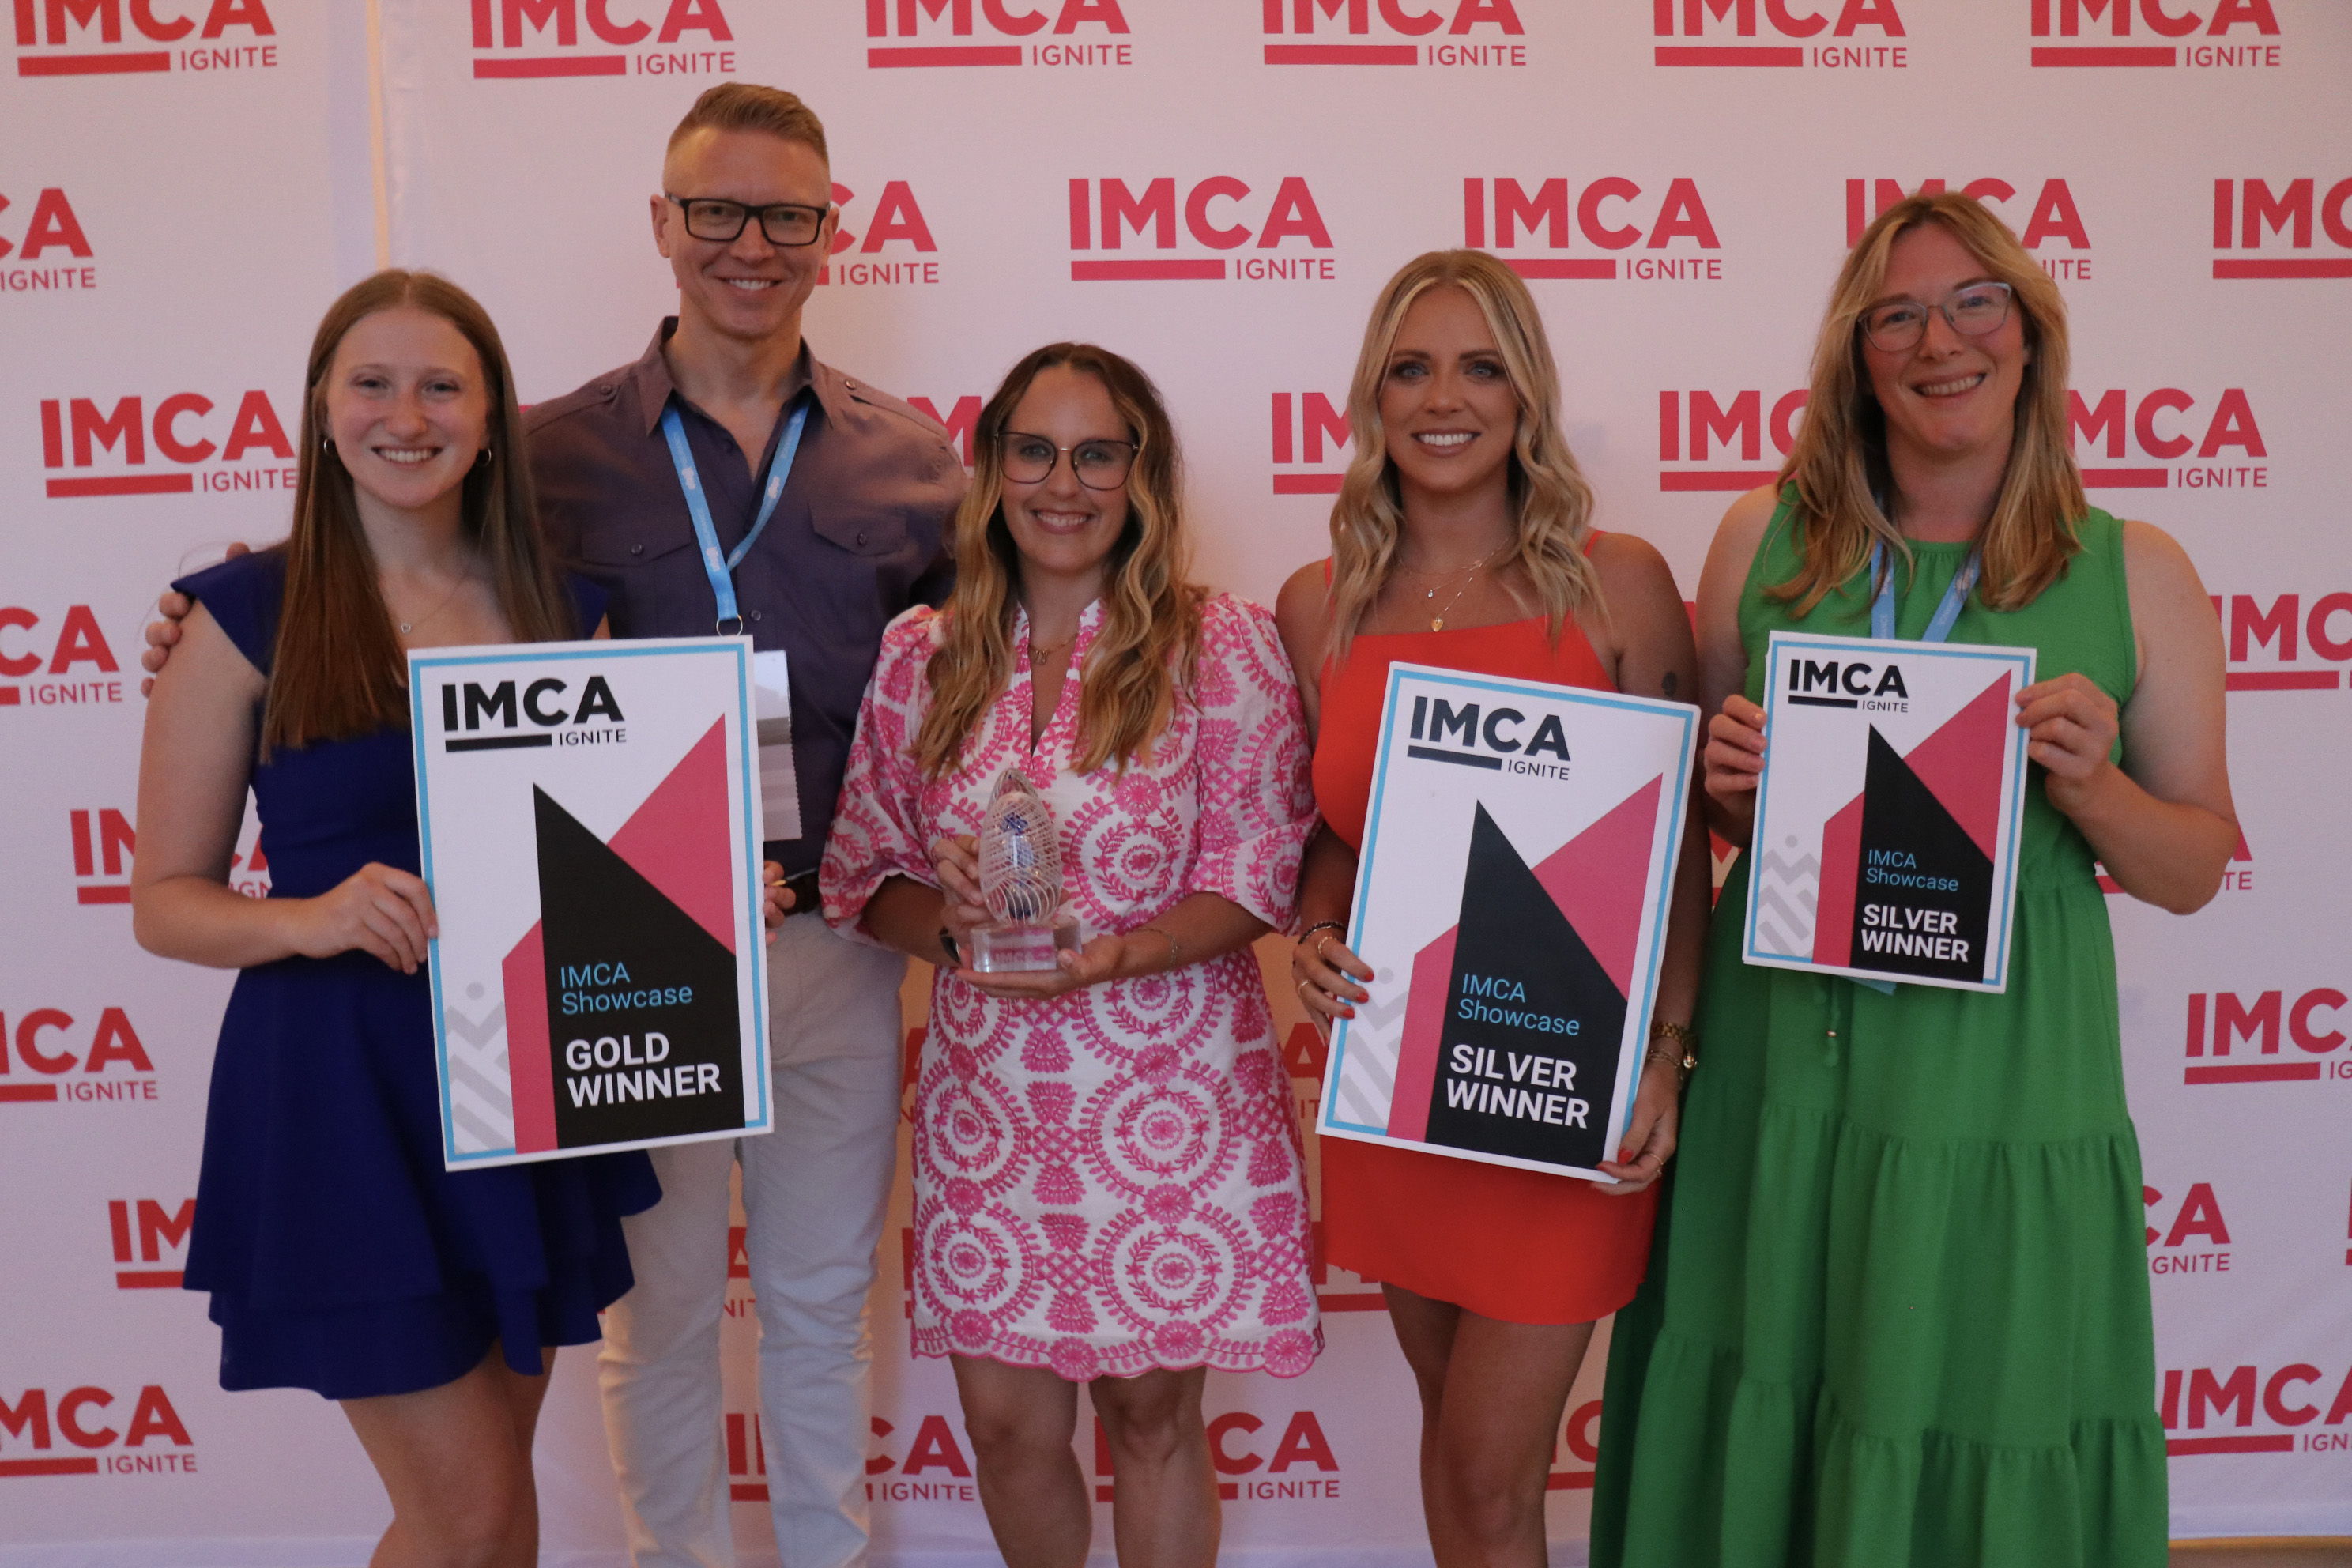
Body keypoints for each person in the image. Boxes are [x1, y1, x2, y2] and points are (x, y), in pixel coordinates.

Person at [143, 85, 963, 1568]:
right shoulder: (541, 451)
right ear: (663, 224)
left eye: (787, 214)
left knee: (819, 1309)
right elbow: (367, 545)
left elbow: (991, 666)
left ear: (834, 235)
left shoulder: (917, 463)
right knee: (635, 1349)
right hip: (599, 971)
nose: (750, 242)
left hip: (826, 939)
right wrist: (212, 625)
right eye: (716, 209)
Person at [1589, 191, 2237, 1568]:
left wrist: (2094, 785)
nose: (1940, 341)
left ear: (2029, 334)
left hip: (1994, 1092)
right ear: (1855, 355)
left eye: (1974, 303)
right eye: (1898, 314)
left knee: (1973, 1390)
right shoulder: (1761, 542)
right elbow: (1707, 832)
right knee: (1765, 1371)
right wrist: (1724, 781)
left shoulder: (2138, 572)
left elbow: (2192, 867)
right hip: (1779, 1072)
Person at [130, 269, 665, 1568]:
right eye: (372, 382)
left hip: (527, 1087)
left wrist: (692, 897)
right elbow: (164, 902)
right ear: (322, 409)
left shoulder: (573, 612)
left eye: (442, 385)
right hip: (343, 1101)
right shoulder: (243, 614)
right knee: (466, 1511)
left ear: (493, 418)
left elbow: (608, 859)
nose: (405, 415)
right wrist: (310, 918)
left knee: (491, 1517)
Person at [821, 342, 1321, 1568]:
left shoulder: (1222, 648)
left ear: (1142, 476)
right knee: (1003, 1424)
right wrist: (949, 932)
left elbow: (1257, 875)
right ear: (992, 470)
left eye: (1098, 452)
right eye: (1034, 451)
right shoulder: (919, 655)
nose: (1064, 483)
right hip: (991, 1099)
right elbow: (862, 871)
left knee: (1152, 1413)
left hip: (1170, 1095)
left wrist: (1120, 955)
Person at [1280, 249, 1710, 1568]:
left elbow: (1683, 846)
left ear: (1526, 396)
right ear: (1372, 398)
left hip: (1563, 1088)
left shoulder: (1618, 582)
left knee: (1481, 1475)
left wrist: (1664, 1051)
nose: (1443, 398)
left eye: (1480, 366)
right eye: (1411, 368)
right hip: (1399, 1090)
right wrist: (1309, 934)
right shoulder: (1318, 606)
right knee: (1460, 1460)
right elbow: (1331, 841)